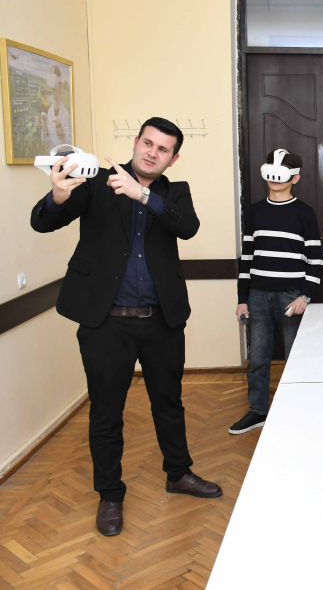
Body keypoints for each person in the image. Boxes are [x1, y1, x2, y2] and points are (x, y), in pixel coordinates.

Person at [30, 117, 222, 537]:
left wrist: (143, 195)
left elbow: (188, 227)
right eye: (147, 143)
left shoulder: (175, 192)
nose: (152, 152)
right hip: (106, 324)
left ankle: (178, 473)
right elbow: (43, 222)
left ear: (173, 159)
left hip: (161, 321)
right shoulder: (96, 183)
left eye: (163, 149)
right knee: (106, 413)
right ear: (135, 142)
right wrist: (58, 196)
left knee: (169, 404)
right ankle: (110, 495)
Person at [229, 149, 322, 435]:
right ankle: (257, 411)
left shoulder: (305, 213)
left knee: (296, 356)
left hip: (291, 295)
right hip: (257, 295)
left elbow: (316, 259)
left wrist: (305, 295)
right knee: (258, 358)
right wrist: (242, 299)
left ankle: (297, 408)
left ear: (295, 178)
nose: (275, 177)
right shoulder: (255, 212)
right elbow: (247, 258)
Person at [41, 66, 72, 148]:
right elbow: (45, 140)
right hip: (52, 155)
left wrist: (63, 136)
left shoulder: (66, 114)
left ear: (60, 86)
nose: (53, 89)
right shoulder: (49, 112)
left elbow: (72, 143)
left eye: (55, 85)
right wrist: (45, 130)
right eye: (51, 86)